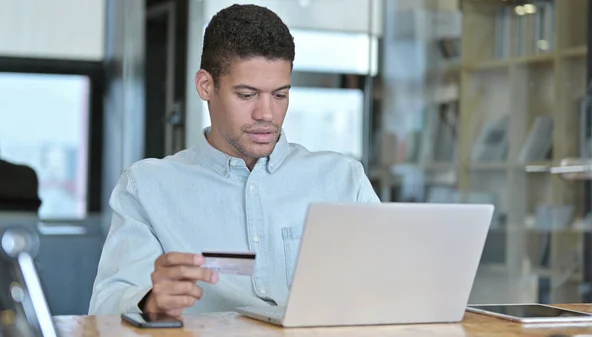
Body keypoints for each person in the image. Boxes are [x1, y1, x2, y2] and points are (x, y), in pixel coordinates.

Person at [89, 4, 379, 316]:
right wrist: (149, 301)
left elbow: (396, 285)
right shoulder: (146, 187)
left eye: (280, 95)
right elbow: (102, 310)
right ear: (206, 86)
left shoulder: (344, 180)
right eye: (246, 95)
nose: (266, 114)